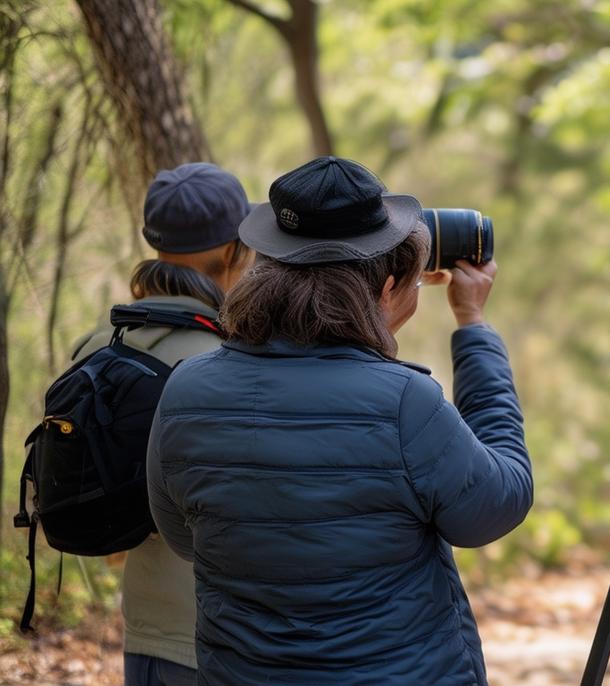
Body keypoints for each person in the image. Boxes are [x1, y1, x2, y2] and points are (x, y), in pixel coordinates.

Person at [145, 156, 532, 685]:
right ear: (388, 286)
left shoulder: (186, 388)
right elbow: (496, 506)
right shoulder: (404, 402)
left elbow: (185, 537)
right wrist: (473, 326)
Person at [67, 162, 254, 686]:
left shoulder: (96, 346)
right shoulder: (229, 359)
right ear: (236, 252)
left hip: (146, 630)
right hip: (226, 637)